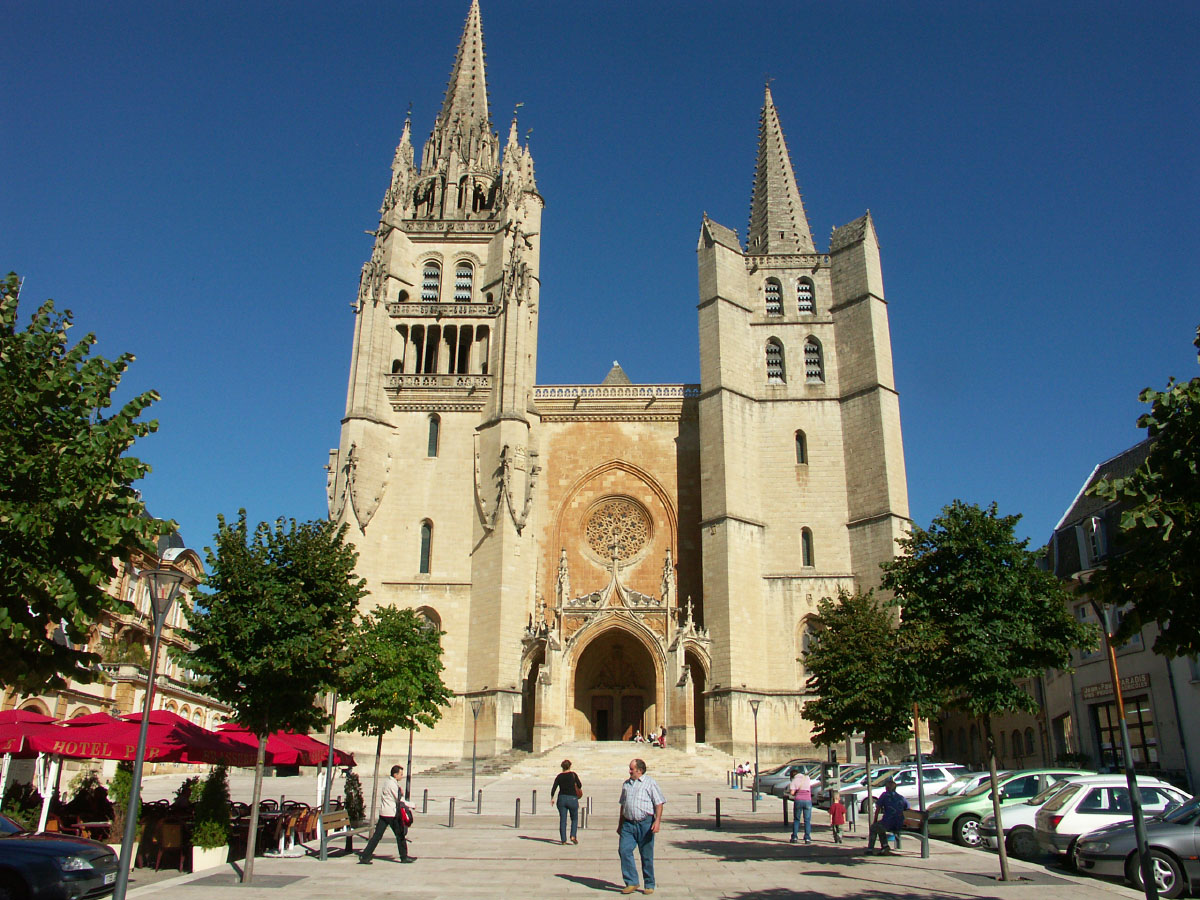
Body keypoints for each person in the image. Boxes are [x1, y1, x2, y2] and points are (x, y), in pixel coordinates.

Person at [617, 758, 665, 895]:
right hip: (628, 824)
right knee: (624, 850)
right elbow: (623, 805)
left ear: (639, 770)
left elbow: (659, 803)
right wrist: (620, 824)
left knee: (646, 855)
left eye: (631, 769)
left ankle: (649, 883)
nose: (629, 771)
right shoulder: (626, 784)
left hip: (645, 823)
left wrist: (657, 821)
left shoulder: (650, 783)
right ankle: (631, 881)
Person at [358, 764, 414, 864]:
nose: (402, 776)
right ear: (395, 774)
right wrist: (411, 805)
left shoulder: (388, 782)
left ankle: (365, 856)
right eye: (401, 774)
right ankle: (404, 857)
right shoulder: (392, 784)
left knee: (377, 836)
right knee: (400, 834)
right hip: (391, 814)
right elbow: (399, 799)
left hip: (384, 813)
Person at [866, 778, 909, 855]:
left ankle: (870, 849)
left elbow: (878, 808)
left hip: (889, 823)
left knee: (874, 827)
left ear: (887, 788)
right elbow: (908, 808)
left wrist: (875, 820)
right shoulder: (901, 797)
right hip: (899, 824)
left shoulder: (885, 795)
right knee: (879, 827)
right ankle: (885, 846)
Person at [551, 759, 583, 845]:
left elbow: (554, 788)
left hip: (561, 799)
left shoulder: (559, 776)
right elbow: (580, 785)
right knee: (574, 819)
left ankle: (563, 840)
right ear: (570, 766)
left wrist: (552, 798)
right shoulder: (573, 775)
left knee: (563, 820)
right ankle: (573, 835)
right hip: (572, 798)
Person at [785, 766, 813, 844]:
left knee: (797, 819)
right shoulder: (807, 778)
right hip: (807, 800)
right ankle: (807, 838)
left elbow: (792, 793)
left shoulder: (794, 781)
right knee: (807, 820)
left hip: (798, 800)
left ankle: (794, 837)